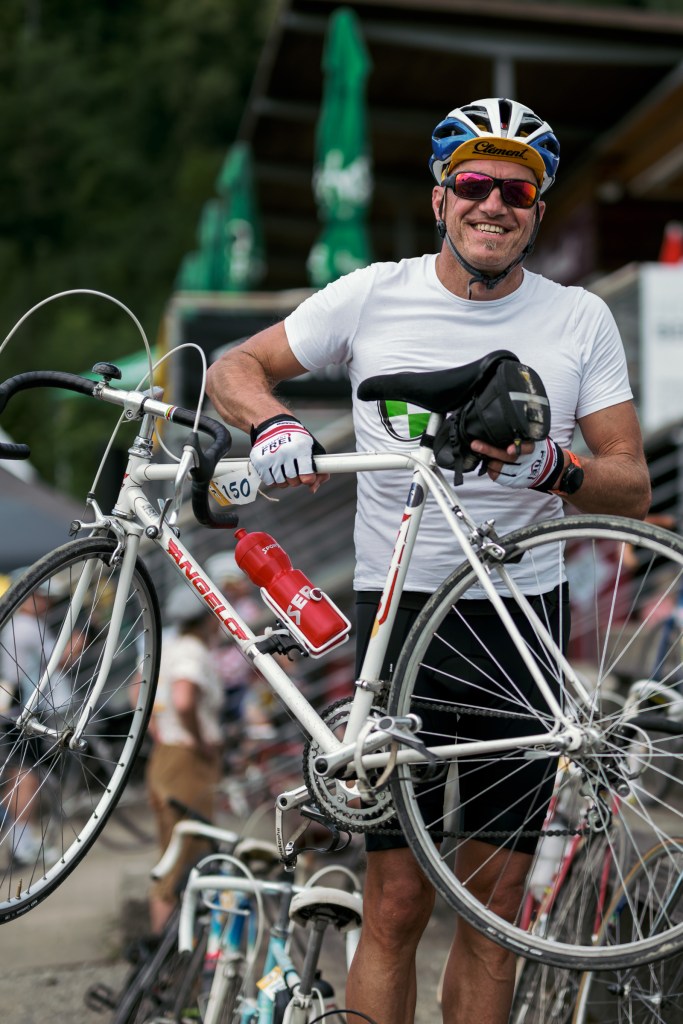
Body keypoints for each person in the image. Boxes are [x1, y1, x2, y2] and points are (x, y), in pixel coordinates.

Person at [205, 97, 651, 1024]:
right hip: (398, 616)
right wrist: (274, 423)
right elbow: (233, 368)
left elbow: (631, 485)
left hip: (518, 624)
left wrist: (554, 467)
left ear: (537, 210)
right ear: (441, 198)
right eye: (475, 185)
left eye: (516, 192)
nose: (494, 205)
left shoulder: (577, 319)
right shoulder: (373, 294)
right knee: (395, 902)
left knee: (493, 911)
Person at [146, 585, 224, 934]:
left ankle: (166, 949)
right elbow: (183, 699)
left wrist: (157, 727)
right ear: (207, 619)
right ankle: (168, 949)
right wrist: (198, 739)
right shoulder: (193, 651)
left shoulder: (169, 647)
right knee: (184, 855)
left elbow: (138, 690)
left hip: (166, 754)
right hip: (186, 760)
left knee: (172, 851)